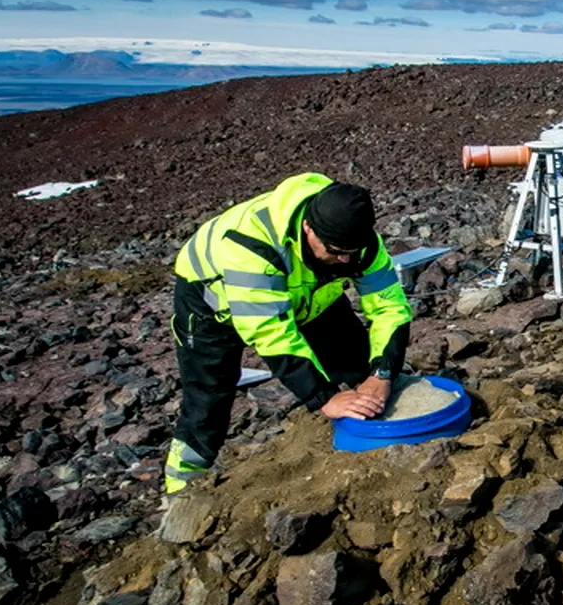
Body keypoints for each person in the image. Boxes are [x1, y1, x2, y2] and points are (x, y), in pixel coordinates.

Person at [164, 173, 413, 493]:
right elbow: (272, 333)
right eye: (336, 251)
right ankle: (181, 487)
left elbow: (390, 307)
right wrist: (324, 397)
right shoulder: (252, 245)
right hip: (213, 305)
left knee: (358, 362)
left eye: (352, 252)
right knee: (208, 398)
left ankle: (376, 437)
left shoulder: (356, 242)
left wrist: (381, 373)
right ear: (308, 228)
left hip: (307, 294)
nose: (346, 260)